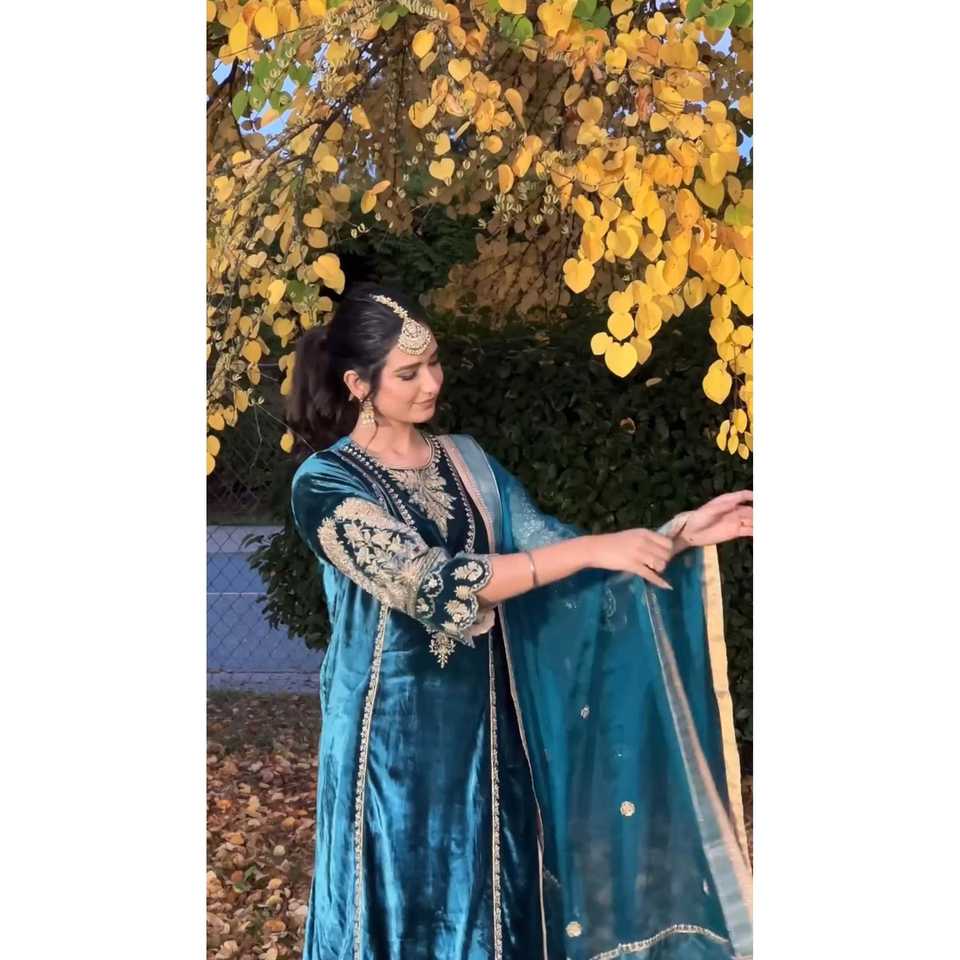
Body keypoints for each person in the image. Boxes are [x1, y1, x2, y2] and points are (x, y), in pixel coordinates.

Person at [285, 282, 754, 960]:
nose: (431, 383)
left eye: (434, 363)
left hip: (487, 735)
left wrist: (675, 537)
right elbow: (431, 583)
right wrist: (592, 548)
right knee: (402, 908)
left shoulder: (467, 461)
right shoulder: (327, 483)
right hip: (387, 749)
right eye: (409, 373)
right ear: (359, 384)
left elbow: (557, 553)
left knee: (493, 905)